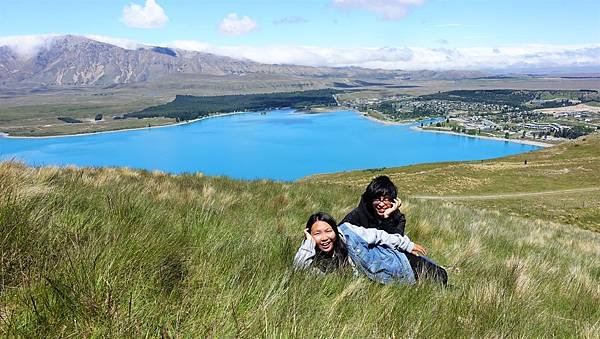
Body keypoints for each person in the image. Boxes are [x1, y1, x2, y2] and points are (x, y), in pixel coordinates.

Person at [341, 175, 448, 285]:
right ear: (370, 199)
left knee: (440, 275)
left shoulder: (398, 218)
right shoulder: (356, 216)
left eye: (386, 199)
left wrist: (387, 218)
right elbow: (341, 237)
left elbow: (396, 242)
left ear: (393, 201)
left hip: (395, 258)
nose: (381, 204)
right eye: (377, 199)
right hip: (370, 262)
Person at [294, 212, 428, 285]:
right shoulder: (310, 255)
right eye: (317, 233)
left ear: (335, 230)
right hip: (382, 283)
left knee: (440, 275)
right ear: (310, 236)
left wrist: (407, 245)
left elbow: (378, 235)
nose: (324, 238)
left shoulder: (348, 232)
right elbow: (298, 271)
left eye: (328, 231)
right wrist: (308, 244)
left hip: (394, 263)